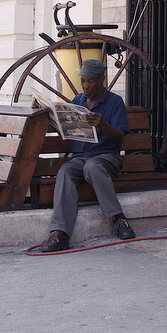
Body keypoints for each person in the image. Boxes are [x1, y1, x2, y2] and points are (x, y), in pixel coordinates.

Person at [40, 58, 135, 252]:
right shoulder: (78, 101)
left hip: (107, 157)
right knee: (65, 170)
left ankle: (118, 219)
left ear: (101, 79)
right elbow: (66, 131)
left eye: (90, 81)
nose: (85, 85)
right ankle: (60, 233)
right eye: (83, 81)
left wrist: (103, 125)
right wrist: (49, 117)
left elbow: (120, 138)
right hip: (80, 158)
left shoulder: (114, 102)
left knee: (92, 166)